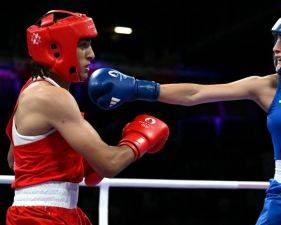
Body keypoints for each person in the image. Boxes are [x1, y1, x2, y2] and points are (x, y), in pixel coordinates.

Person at [87, 15, 281, 224]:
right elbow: (196, 93)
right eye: (276, 40)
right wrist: (142, 88)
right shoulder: (267, 87)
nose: (275, 48)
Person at [5, 10, 169, 225]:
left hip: (48, 212)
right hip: (43, 215)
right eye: (82, 45)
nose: (91, 54)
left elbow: (14, 159)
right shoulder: (52, 96)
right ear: (56, 49)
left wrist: (77, 162)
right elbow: (109, 163)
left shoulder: (32, 89)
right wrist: (140, 139)